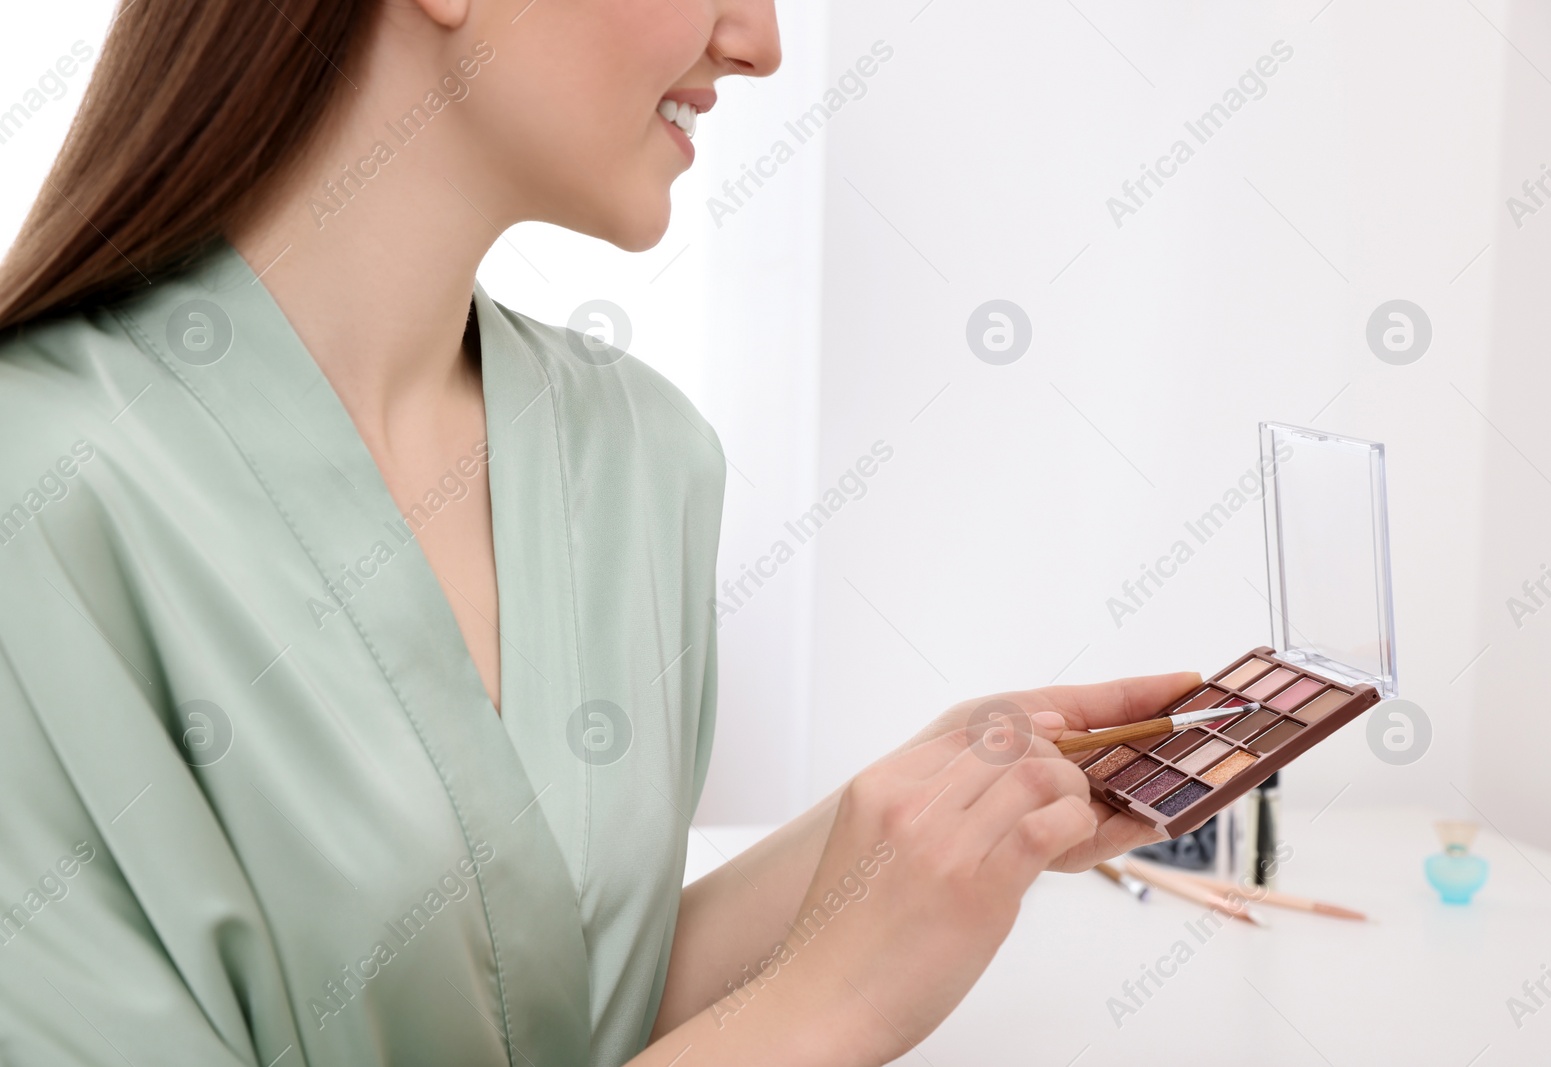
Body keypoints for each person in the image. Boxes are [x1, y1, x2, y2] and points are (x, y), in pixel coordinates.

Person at [0, 1, 1197, 1063]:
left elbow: (549, 1008)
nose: (763, 41)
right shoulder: (38, 489)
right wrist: (829, 1013)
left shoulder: (637, 457)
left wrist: (912, 825)